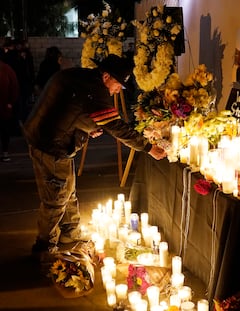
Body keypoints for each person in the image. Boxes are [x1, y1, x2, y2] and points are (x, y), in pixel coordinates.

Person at [23, 54, 167, 260]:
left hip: (49, 139)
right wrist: (148, 147)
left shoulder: (81, 77)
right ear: (106, 76)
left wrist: (88, 128)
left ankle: (69, 234)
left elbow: (71, 109)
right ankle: (44, 247)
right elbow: (116, 127)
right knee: (57, 197)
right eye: (118, 85)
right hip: (51, 146)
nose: (117, 90)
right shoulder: (94, 89)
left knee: (68, 191)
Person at [0, 52, 19, 162]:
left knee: (4, 130)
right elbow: (15, 86)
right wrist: (11, 102)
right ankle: (5, 152)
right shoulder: (7, 69)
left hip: (4, 105)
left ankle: (5, 152)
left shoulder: (6, 69)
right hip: (4, 106)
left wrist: (10, 101)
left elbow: (14, 86)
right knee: (4, 130)